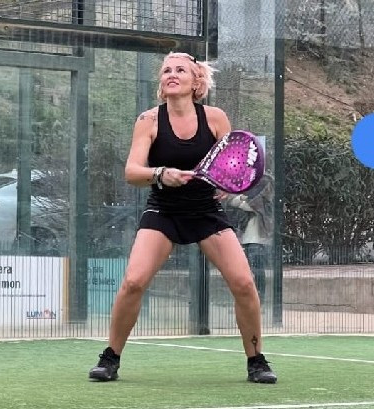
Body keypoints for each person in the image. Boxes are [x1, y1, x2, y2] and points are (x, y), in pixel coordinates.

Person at [89, 52, 277, 384]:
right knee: (133, 282)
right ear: (161, 82)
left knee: (244, 284)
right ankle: (110, 357)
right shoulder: (148, 120)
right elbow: (132, 171)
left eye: (180, 70)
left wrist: (224, 183)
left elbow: (231, 163)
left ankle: (256, 361)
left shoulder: (216, 118)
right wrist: (161, 174)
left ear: (196, 82)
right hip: (164, 211)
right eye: (166, 71)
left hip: (206, 213)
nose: (171, 74)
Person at [227, 173, 274, 305]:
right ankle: (250, 300)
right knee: (247, 270)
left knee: (258, 270)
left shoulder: (266, 184)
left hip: (258, 238)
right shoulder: (246, 181)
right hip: (246, 237)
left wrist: (242, 200)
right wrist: (243, 198)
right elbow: (231, 201)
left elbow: (254, 205)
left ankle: (260, 299)